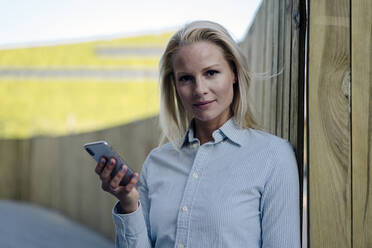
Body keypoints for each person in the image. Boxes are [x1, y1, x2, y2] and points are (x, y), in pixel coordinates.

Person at [95, 20, 301, 248]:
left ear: (234, 73)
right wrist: (129, 203)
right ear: (174, 86)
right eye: (186, 78)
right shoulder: (157, 162)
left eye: (211, 73)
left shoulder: (273, 156)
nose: (199, 89)